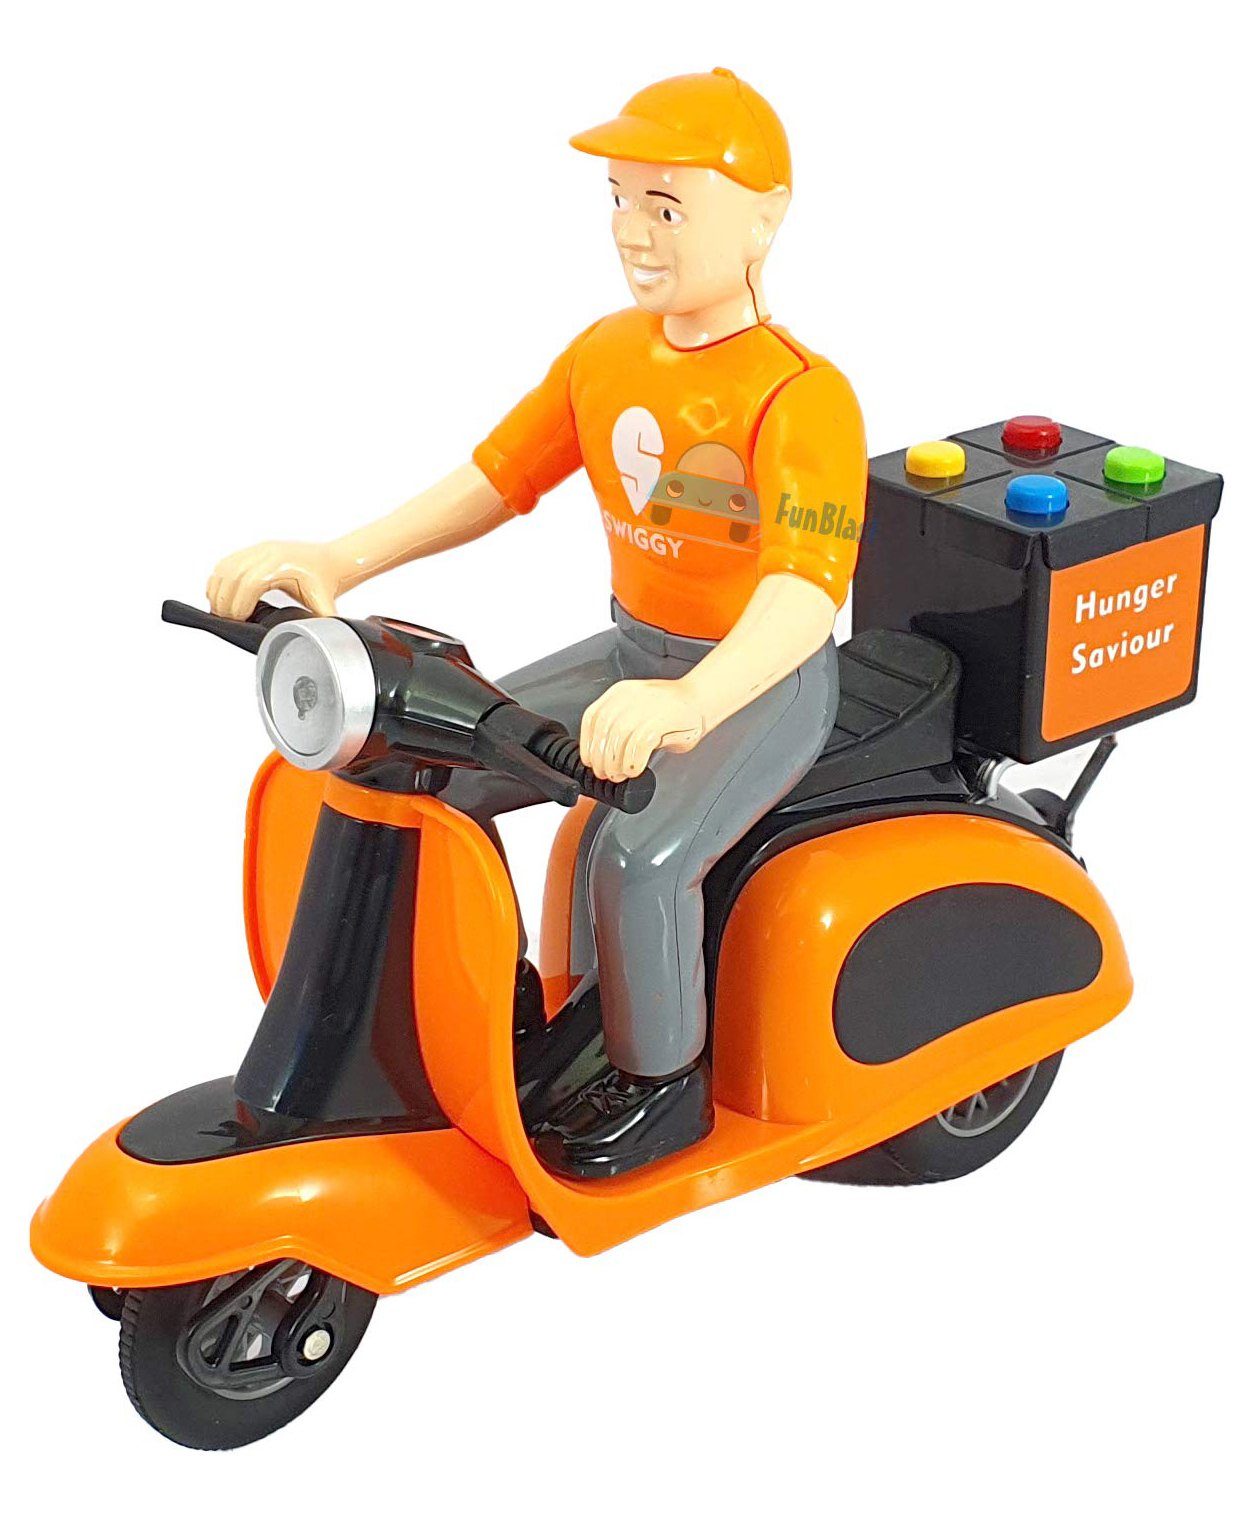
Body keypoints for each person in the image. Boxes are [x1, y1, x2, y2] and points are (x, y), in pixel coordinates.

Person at [207, 68, 867, 1180]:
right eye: (620, 199)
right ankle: (490, 1015)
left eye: (668, 206)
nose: (633, 232)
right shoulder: (605, 355)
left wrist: (692, 700)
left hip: (758, 682)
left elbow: (805, 595)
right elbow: (496, 478)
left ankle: (659, 1083)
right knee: (437, 776)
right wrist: (339, 558)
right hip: (635, 653)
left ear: (765, 217)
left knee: (639, 859)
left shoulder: (800, 397)